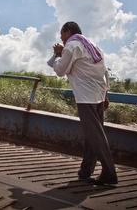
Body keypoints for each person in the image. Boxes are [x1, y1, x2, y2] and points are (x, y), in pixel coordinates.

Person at [47, 21, 117, 186]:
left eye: (62, 34)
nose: (61, 38)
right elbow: (104, 72)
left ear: (68, 31)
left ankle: (109, 173)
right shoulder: (93, 46)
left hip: (86, 97)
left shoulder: (71, 47)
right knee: (91, 135)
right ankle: (85, 171)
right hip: (99, 95)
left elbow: (60, 70)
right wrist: (105, 95)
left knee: (95, 135)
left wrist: (58, 54)